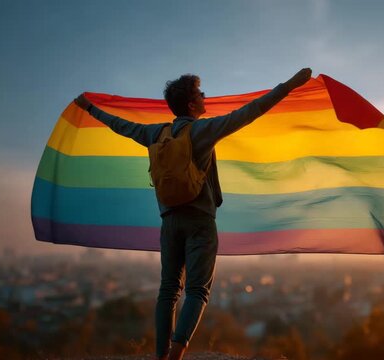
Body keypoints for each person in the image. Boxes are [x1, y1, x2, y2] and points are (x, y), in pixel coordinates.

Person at [74, 68, 312, 360]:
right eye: (200, 94)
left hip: (169, 221)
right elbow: (251, 112)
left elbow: (119, 125)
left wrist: (90, 109)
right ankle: (177, 354)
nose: (204, 97)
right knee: (198, 290)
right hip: (199, 222)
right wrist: (289, 85)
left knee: (168, 290)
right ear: (190, 104)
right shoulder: (202, 131)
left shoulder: (154, 133)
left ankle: (161, 355)